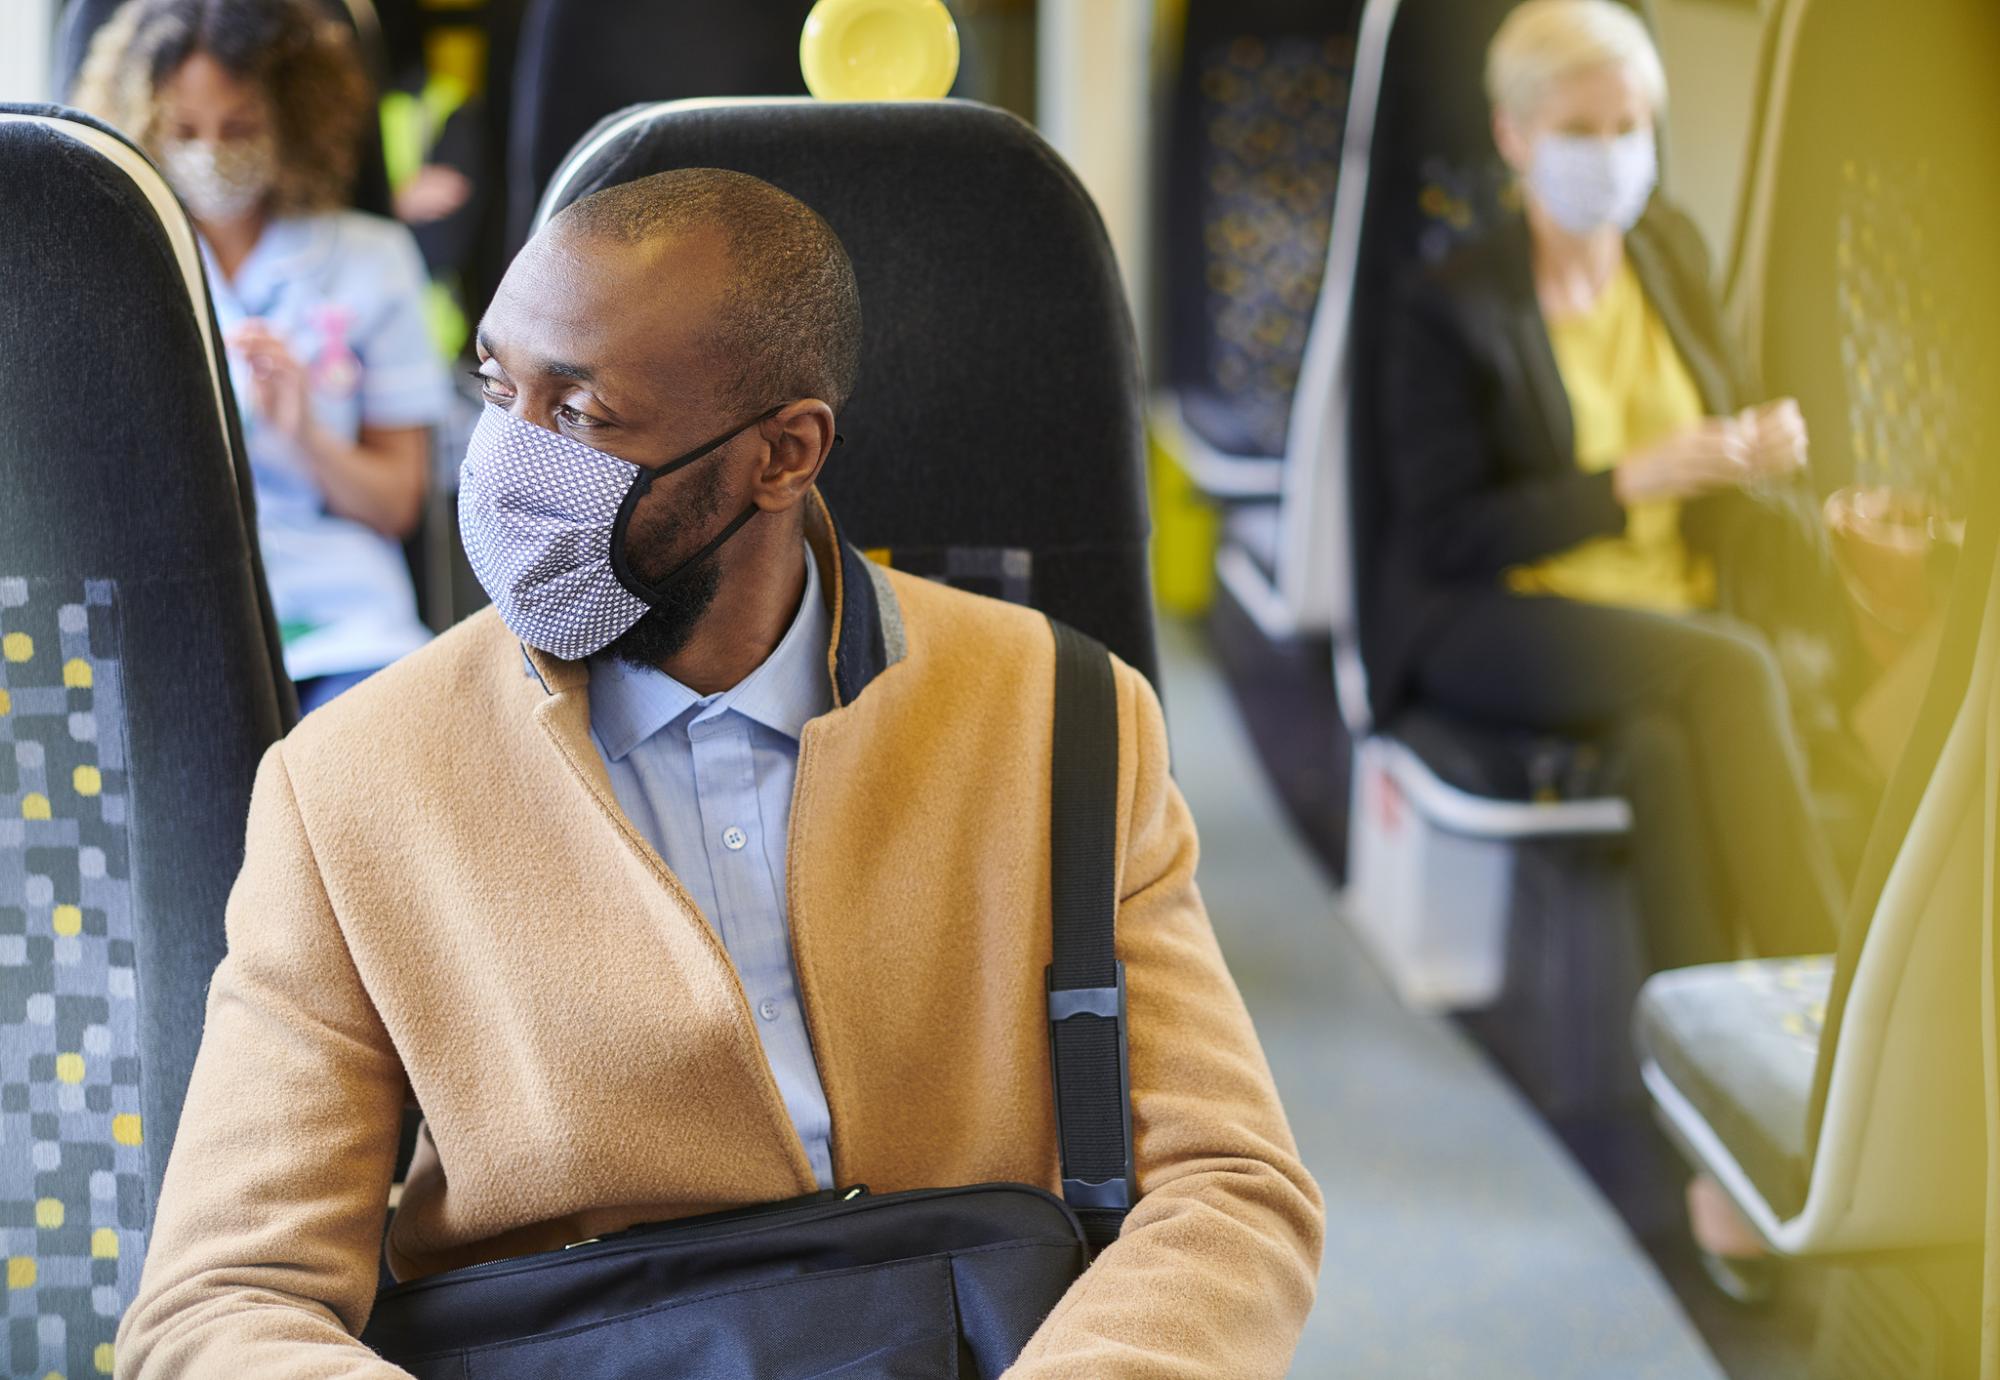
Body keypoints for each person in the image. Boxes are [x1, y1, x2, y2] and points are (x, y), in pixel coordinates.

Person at [113, 168, 1324, 1376]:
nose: (503, 464)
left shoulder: (1056, 712)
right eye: (496, 387)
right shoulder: (351, 785)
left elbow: (1226, 1185)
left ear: (782, 454)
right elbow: (222, 1299)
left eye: (582, 417)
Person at [1378, 0, 1849, 1298]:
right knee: (1726, 670)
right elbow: (1450, 533)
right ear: (1516, 138)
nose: (1614, 154)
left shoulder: (1672, 251)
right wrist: (1630, 478)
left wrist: (1763, 465)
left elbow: (1723, 434)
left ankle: (1709, 1125)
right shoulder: (1449, 305)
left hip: (1659, 628)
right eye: (1583, 129)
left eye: (1631, 126)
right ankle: (1840, 1034)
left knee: (1661, 738)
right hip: (1504, 618)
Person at [76, 0, 451, 713]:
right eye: (183, 131)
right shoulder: (103, 267)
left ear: (293, 120)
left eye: (240, 128)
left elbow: (396, 504)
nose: (210, 154)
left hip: (343, 628)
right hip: (165, 621)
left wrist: (304, 431)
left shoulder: (372, 261)